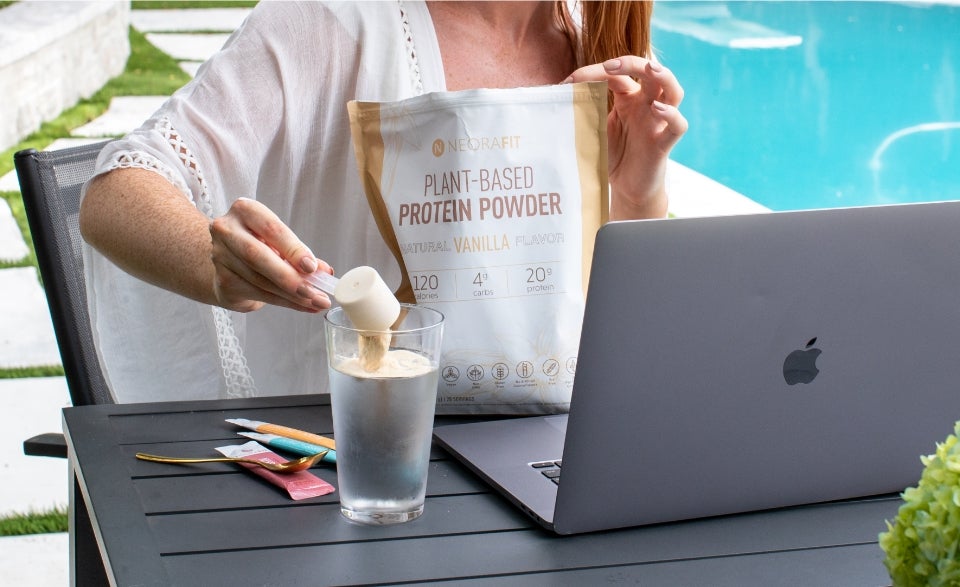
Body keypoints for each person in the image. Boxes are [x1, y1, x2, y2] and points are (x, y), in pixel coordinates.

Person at [78, 1, 687, 403]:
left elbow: (619, 333)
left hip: (545, 459)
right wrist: (215, 262)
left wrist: (636, 191)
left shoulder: (601, 46)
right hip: (355, 469)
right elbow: (117, 191)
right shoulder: (333, 21)